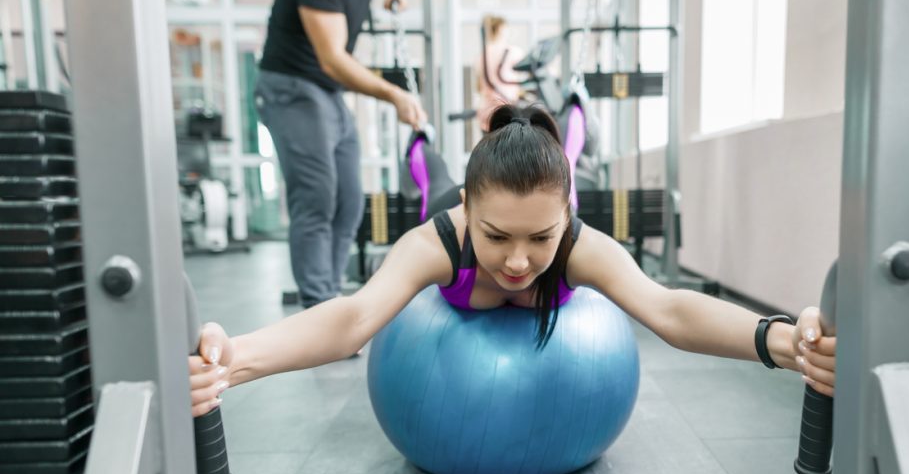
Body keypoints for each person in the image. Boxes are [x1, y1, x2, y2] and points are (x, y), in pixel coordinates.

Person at [189, 104, 836, 418]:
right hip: (449, 195)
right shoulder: (438, 239)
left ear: (566, 217)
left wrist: (781, 340)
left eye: (541, 238)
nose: (520, 262)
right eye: (498, 237)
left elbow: (666, 307)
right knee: (429, 168)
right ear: (472, 210)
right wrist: (232, 362)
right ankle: (422, 137)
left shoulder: (577, 243)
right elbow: (354, 318)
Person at [254, 0, 427, 309]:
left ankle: (329, 297)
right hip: (291, 87)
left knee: (350, 200)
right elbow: (333, 57)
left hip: (326, 90)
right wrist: (394, 94)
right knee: (317, 197)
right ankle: (321, 307)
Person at [475, 16, 524, 131]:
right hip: (507, 111)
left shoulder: (481, 56)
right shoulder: (513, 52)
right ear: (501, 29)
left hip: (486, 113)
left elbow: (478, 87)